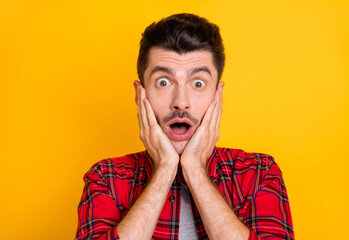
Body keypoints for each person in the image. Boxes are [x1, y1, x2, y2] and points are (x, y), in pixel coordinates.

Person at [75, 13, 294, 240]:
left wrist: (195, 169)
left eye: (198, 83)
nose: (180, 101)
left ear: (217, 97)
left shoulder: (258, 174)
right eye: (163, 82)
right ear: (140, 96)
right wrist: (165, 168)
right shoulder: (106, 178)